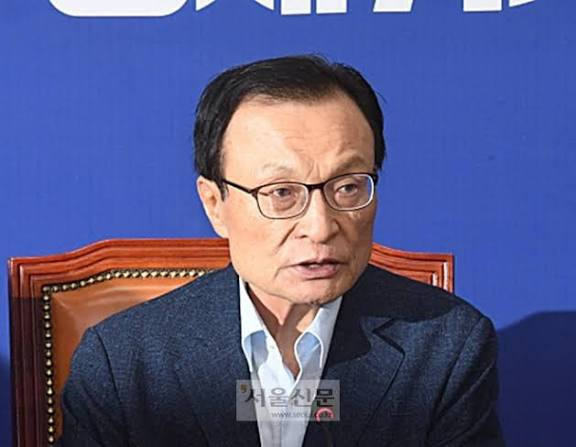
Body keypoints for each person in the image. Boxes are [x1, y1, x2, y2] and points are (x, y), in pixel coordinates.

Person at [57, 55, 505, 446]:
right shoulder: (124, 362)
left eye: (348, 187)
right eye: (282, 193)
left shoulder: (445, 347)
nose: (320, 227)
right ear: (215, 204)